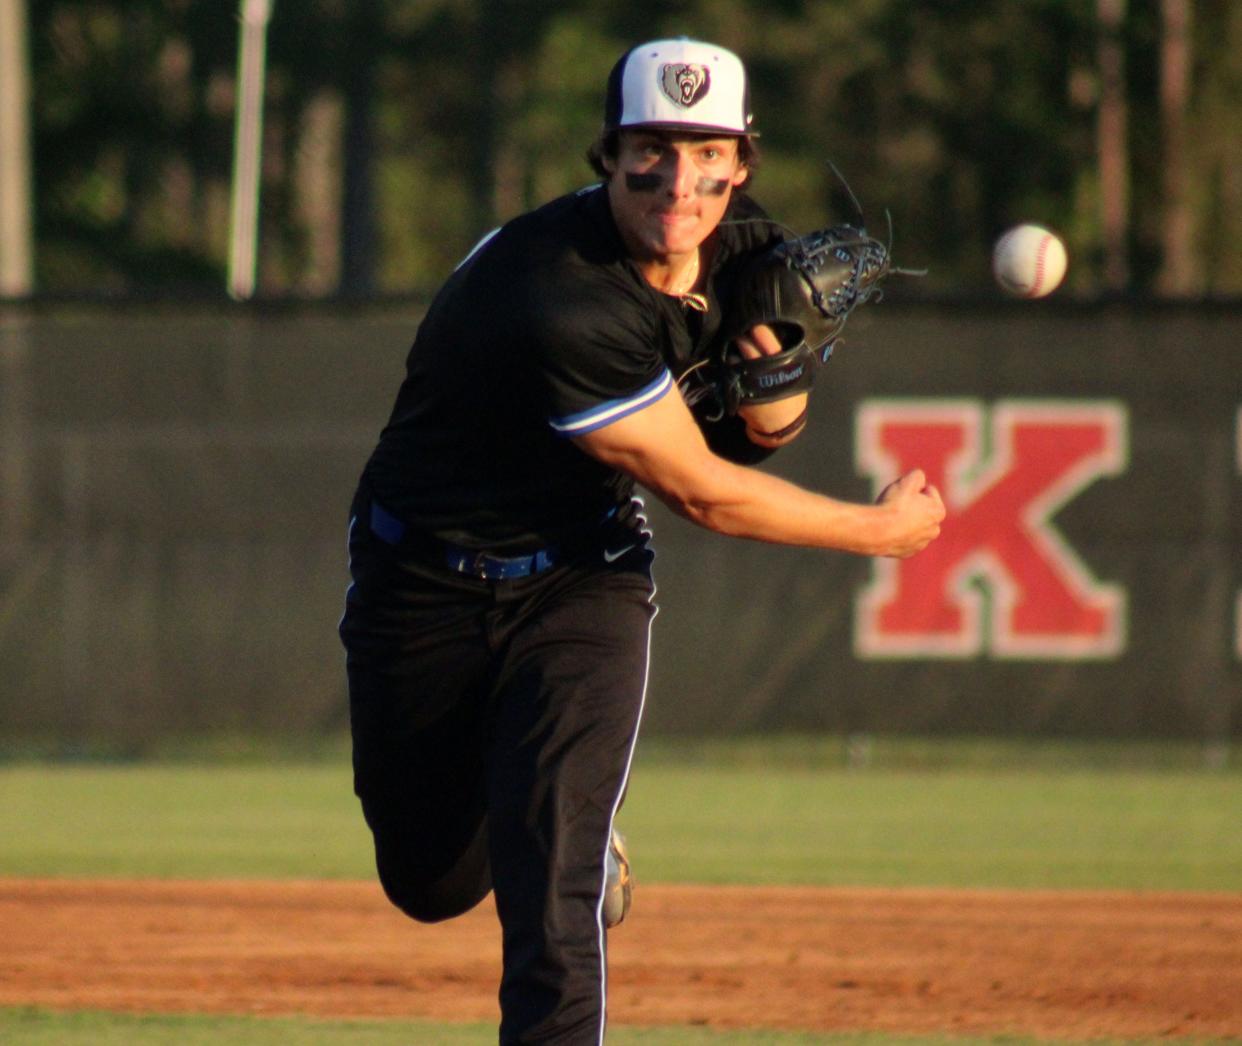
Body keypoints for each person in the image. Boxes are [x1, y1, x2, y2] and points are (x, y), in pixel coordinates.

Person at [339, 37, 944, 1045]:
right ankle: (539, 807)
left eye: (707, 153)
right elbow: (704, 494)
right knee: (429, 879)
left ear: (741, 161)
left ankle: (566, 831)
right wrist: (878, 530)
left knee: (552, 882)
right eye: (651, 152)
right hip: (423, 577)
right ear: (608, 156)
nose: (680, 180)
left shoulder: (752, 248)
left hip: (584, 574)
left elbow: (752, 439)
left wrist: (780, 368)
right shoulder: (556, 292)